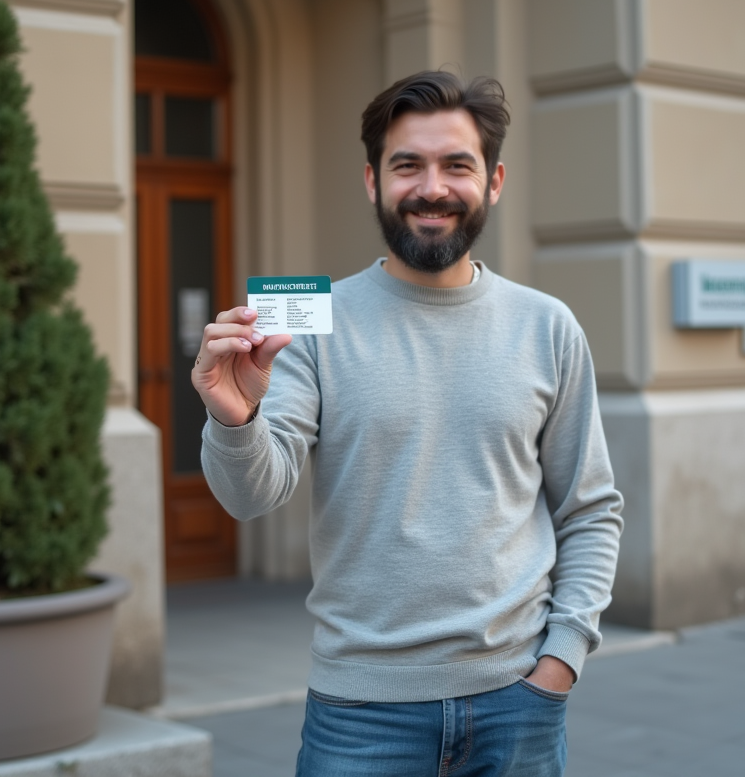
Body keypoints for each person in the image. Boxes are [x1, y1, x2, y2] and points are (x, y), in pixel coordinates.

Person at [192, 71, 624, 776]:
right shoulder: (313, 325)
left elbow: (590, 509)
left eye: (457, 165)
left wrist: (561, 661)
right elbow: (249, 498)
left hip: (519, 703)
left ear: (493, 181)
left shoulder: (548, 327)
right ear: (372, 181)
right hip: (359, 714)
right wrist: (232, 418)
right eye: (407, 165)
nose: (432, 188)